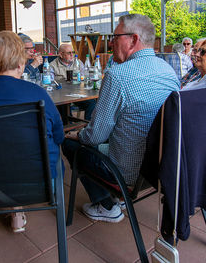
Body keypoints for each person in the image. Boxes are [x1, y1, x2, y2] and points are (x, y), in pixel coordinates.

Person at [62, 14, 179, 223]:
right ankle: (119, 199)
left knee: (70, 145)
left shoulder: (118, 76)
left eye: (115, 37)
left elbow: (94, 137)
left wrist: (77, 135)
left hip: (127, 173)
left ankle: (107, 205)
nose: (110, 43)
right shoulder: (168, 71)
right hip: (159, 168)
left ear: (133, 39)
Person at [0, 30, 64, 232]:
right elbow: (59, 135)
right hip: (41, 184)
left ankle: (15, 208)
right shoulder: (37, 93)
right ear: (20, 60)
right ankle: (17, 207)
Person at [50, 43, 96, 120]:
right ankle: (69, 128)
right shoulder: (52, 65)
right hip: (61, 95)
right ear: (61, 54)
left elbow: (84, 76)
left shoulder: (77, 62)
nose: (72, 55)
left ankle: (87, 126)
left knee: (92, 102)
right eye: (69, 53)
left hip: (77, 93)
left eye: (73, 52)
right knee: (63, 105)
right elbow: (51, 82)